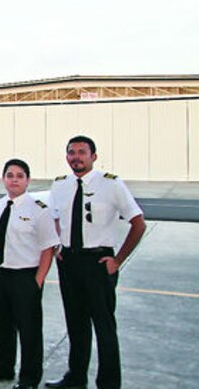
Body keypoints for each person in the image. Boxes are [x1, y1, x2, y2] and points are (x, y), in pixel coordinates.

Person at [45, 136, 146, 389]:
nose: (76, 157)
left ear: (94, 157)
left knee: (104, 327)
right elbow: (55, 218)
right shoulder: (59, 185)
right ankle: (75, 378)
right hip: (69, 262)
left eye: (82, 152)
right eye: (71, 152)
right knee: (76, 325)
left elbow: (138, 223)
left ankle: (109, 383)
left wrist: (118, 260)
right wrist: (58, 244)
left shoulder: (111, 184)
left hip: (98, 262)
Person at [0, 159, 59, 389]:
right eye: (10, 175)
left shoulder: (38, 210)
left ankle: (29, 378)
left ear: (28, 180)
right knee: (1, 325)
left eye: (19, 175)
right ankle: (4, 368)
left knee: (29, 330)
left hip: (25, 277)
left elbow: (48, 247)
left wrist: (38, 280)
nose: (14, 179)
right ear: (4, 178)